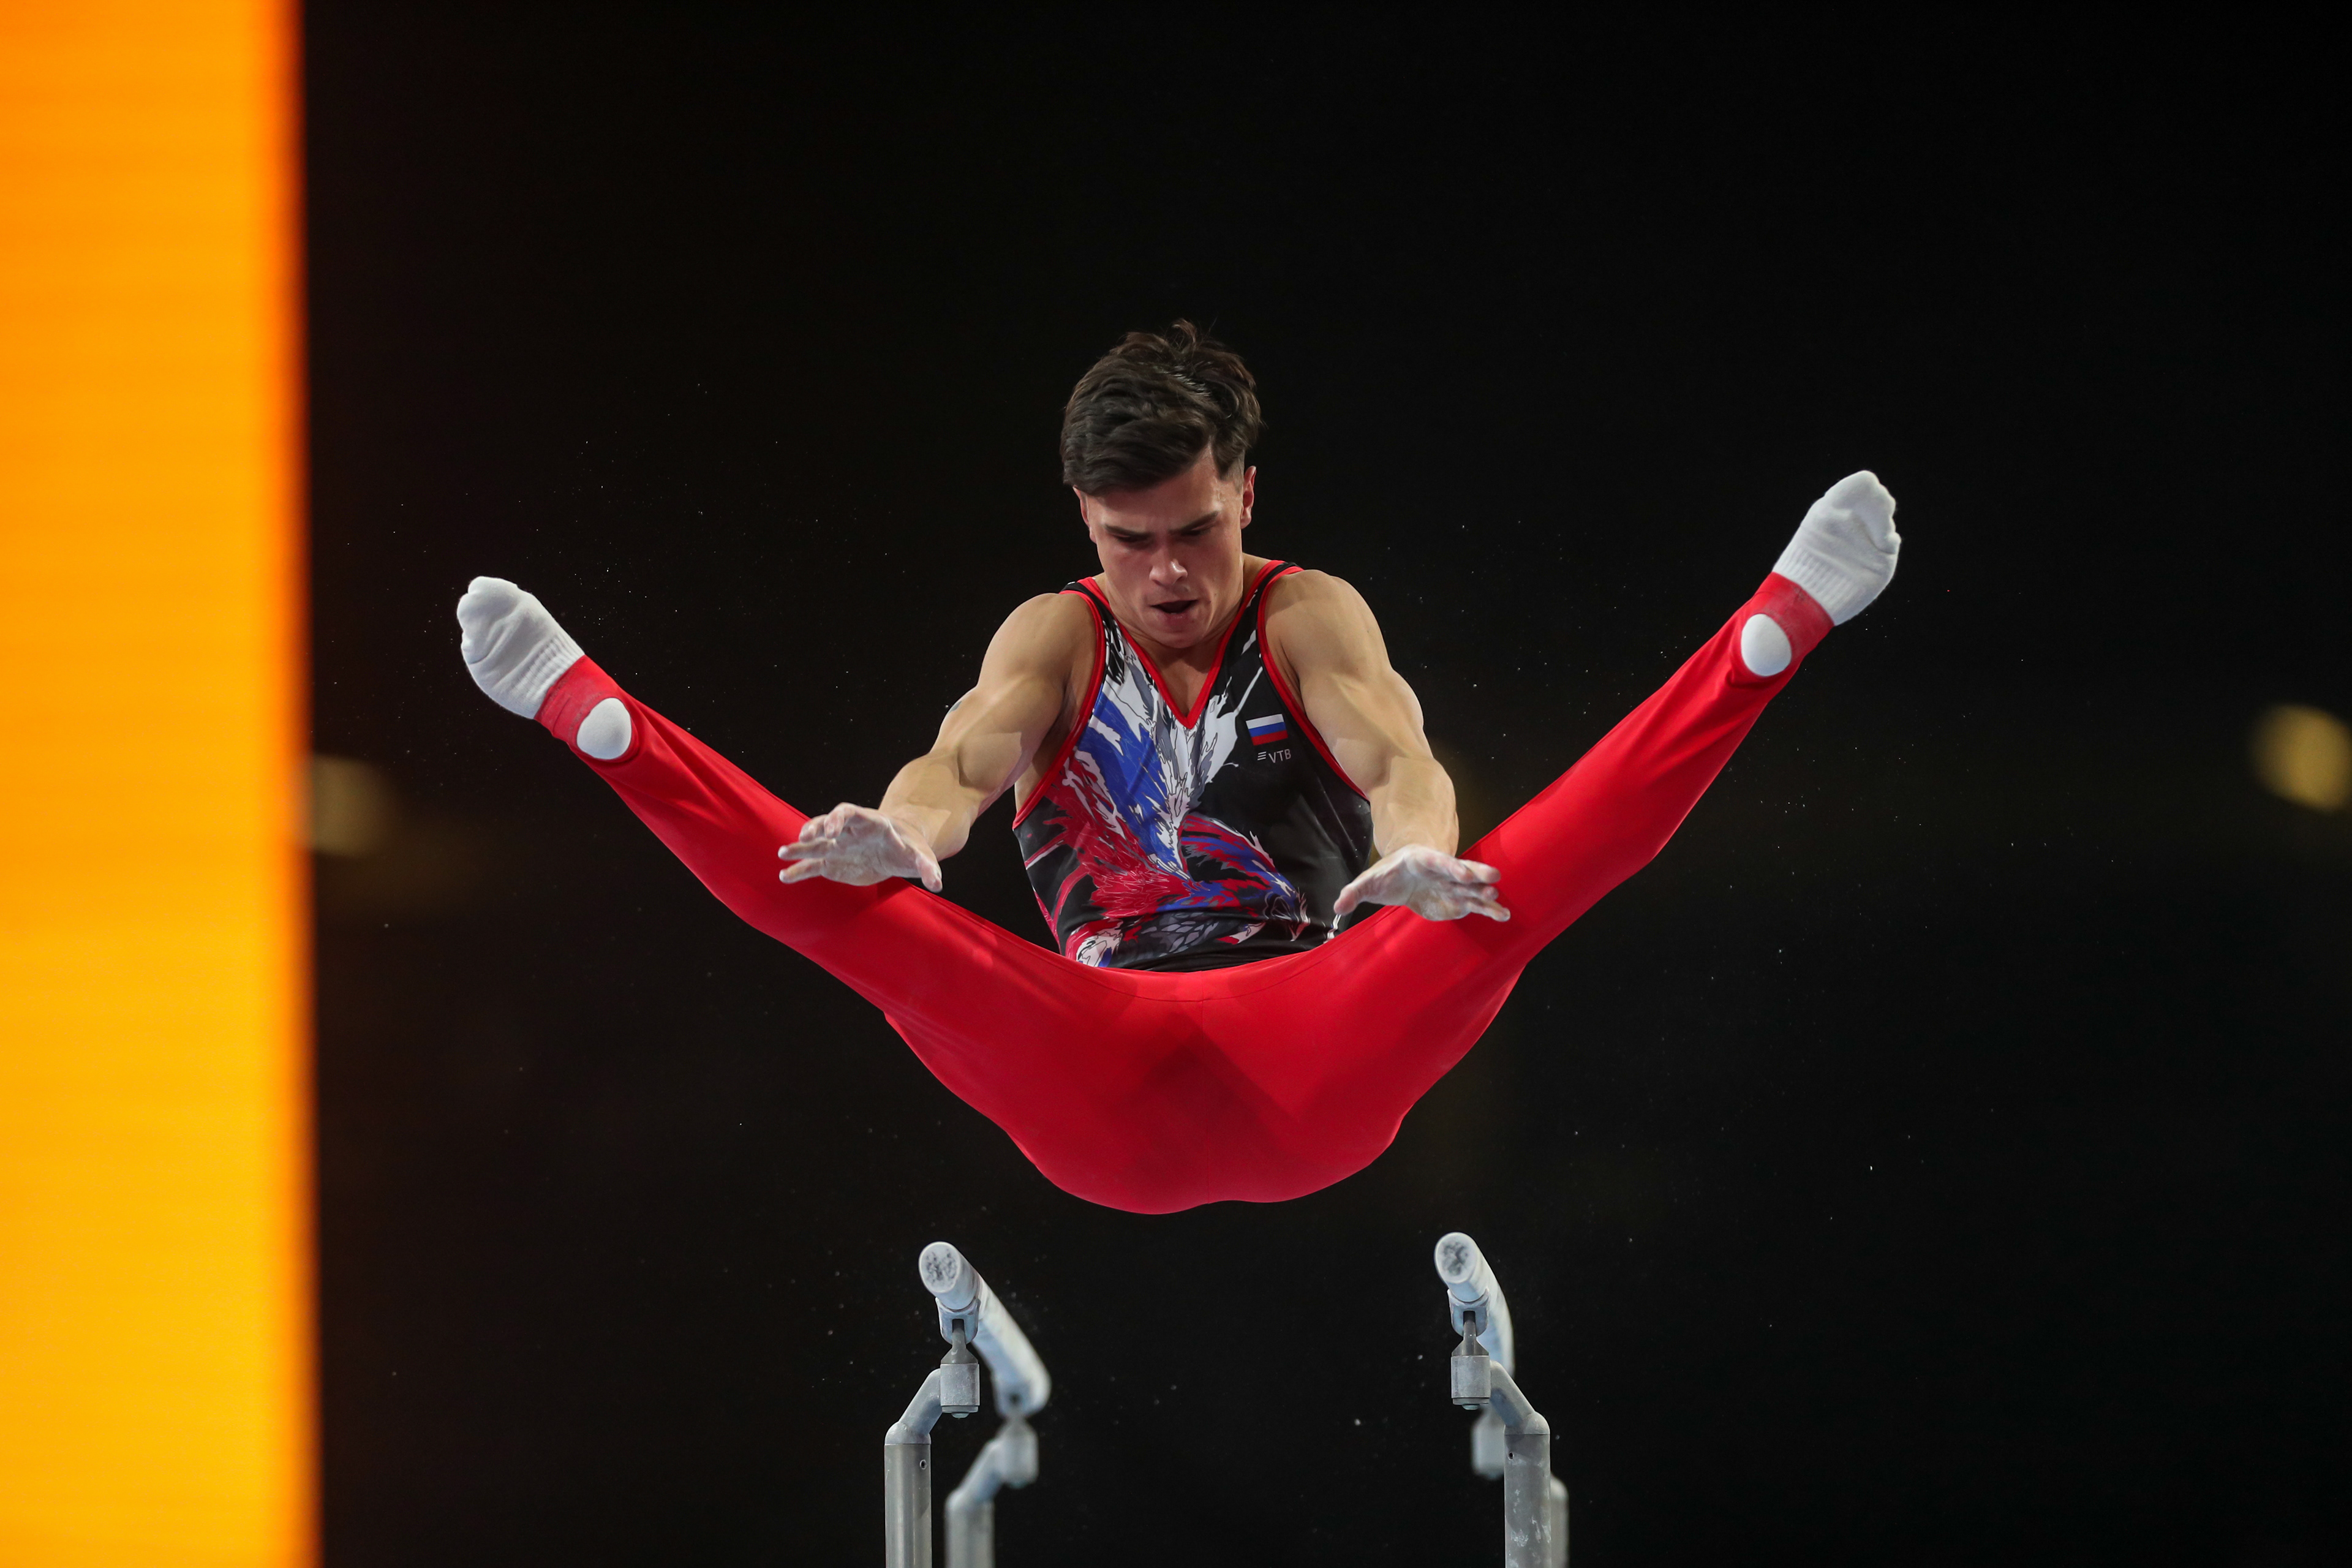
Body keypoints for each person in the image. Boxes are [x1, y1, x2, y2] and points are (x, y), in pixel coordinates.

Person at [455, 322, 1899, 1213]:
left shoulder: (1308, 613)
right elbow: (961, 758)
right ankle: (595, 714)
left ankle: (1768, 636)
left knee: (1507, 888)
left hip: (1312, 1037)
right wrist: (908, 834)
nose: (1165, 572)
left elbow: (1396, 756)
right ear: (1085, 521)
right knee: (849, 903)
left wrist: (1415, 857)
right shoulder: (1054, 635)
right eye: (1128, 538)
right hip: (1094, 1064)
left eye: (1196, 530)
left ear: (1247, 492)